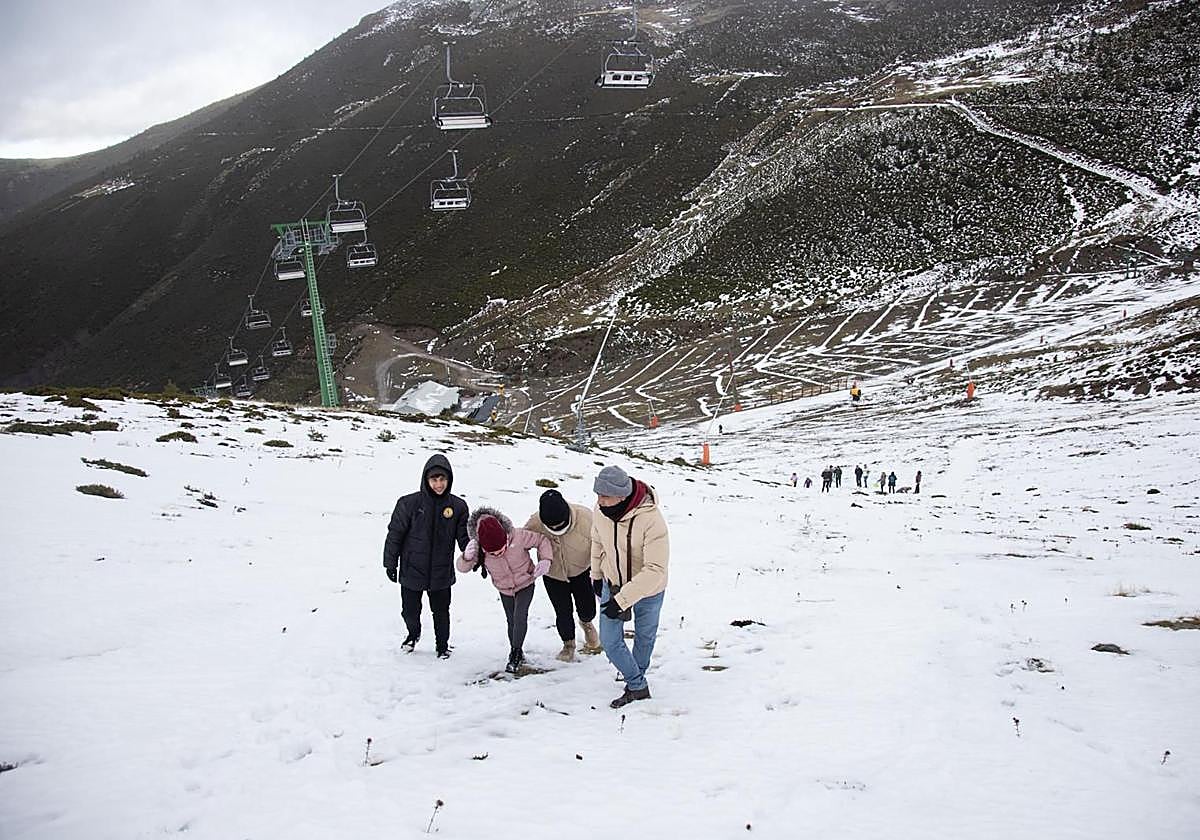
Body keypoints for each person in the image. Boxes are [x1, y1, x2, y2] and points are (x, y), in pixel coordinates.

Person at [591, 465, 669, 708]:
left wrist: (623, 600)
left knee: (644, 637)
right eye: (597, 495)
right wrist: (595, 574)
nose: (599, 501)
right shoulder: (600, 510)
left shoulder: (651, 520)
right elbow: (597, 541)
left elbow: (655, 569)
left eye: (604, 496)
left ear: (621, 496)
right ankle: (637, 683)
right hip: (612, 582)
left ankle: (635, 684)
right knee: (609, 640)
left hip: (649, 589)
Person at [383, 454, 469, 659]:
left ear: (449, 480)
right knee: (410, 611)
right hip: (412, 569)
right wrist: (390, 562)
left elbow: (464, 538)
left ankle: (442, 646)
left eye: (443, 479)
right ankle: (413, 634)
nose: (438, 484)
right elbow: (395, 534)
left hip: (441, 572)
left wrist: (475, 557)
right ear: (426, 480)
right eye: (434, 479)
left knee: (441, 612)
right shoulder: (408, 503)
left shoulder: (457, 506)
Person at [458, 506, 553, 674]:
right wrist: (465, 557)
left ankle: (515, 653)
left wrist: (545, 559)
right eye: (493, 553)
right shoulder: (478, 548)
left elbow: (541, 540)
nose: (499, 553)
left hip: (526, 582)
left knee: (520, 615)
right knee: (511, 619)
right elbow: (462, 568)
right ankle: (517, 650)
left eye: (502, 549)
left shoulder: (518, 535)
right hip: (504, 588)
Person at [524, 490, 600, 661]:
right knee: (562, 612)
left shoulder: (586, 517)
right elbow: (521, 542)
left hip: (582, 571)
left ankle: (587, 623)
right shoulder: (536, 522)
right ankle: (568, 644)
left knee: (587, 608)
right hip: (554, 576)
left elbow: (601, 544)